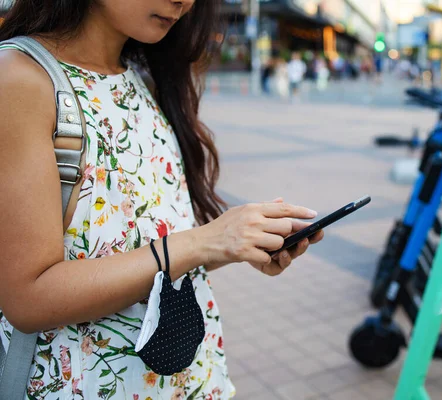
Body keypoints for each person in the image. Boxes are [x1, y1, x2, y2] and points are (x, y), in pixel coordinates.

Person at [0, 1, 324, 399]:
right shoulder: (20, 78)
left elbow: (148, 253)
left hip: (190, 381)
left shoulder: (139, 78)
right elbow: (27, 298)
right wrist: (201, 241)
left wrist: (235, 243)